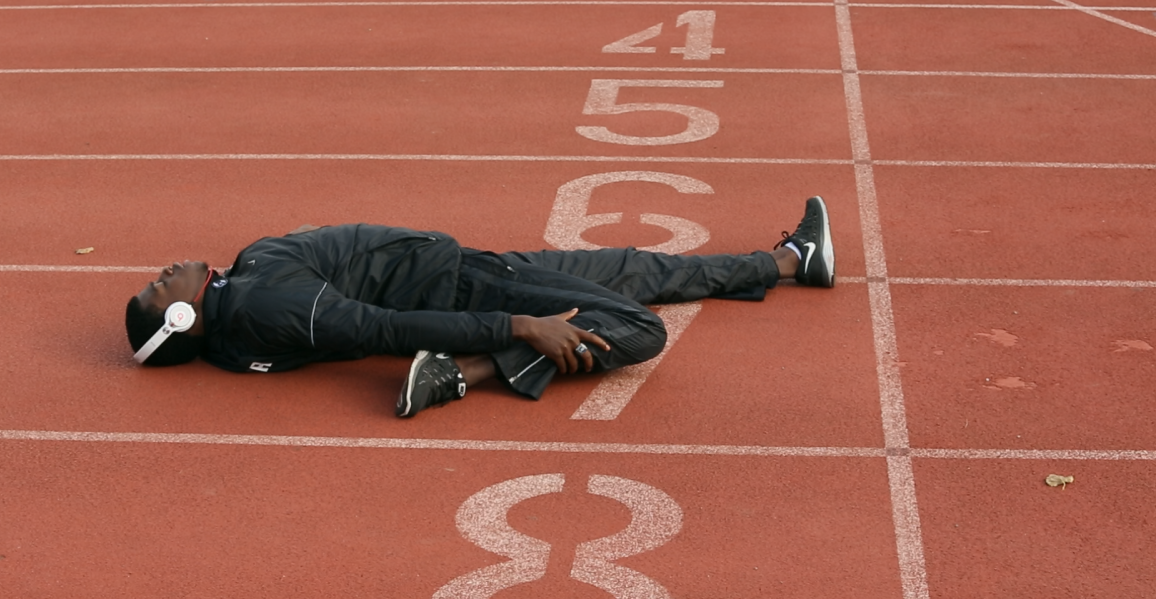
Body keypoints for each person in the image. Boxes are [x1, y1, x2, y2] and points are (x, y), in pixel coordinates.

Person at [125, 197, 835, 418]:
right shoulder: (272, 304)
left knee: (629, 267)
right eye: (159, 289)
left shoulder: (246, 285)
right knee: (639, 326)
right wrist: (516, 326)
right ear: (179, 319)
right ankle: (466, 372)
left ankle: (790, 262)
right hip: (469, 290)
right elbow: (385, 328)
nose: (162, 274)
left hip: (469, 267)